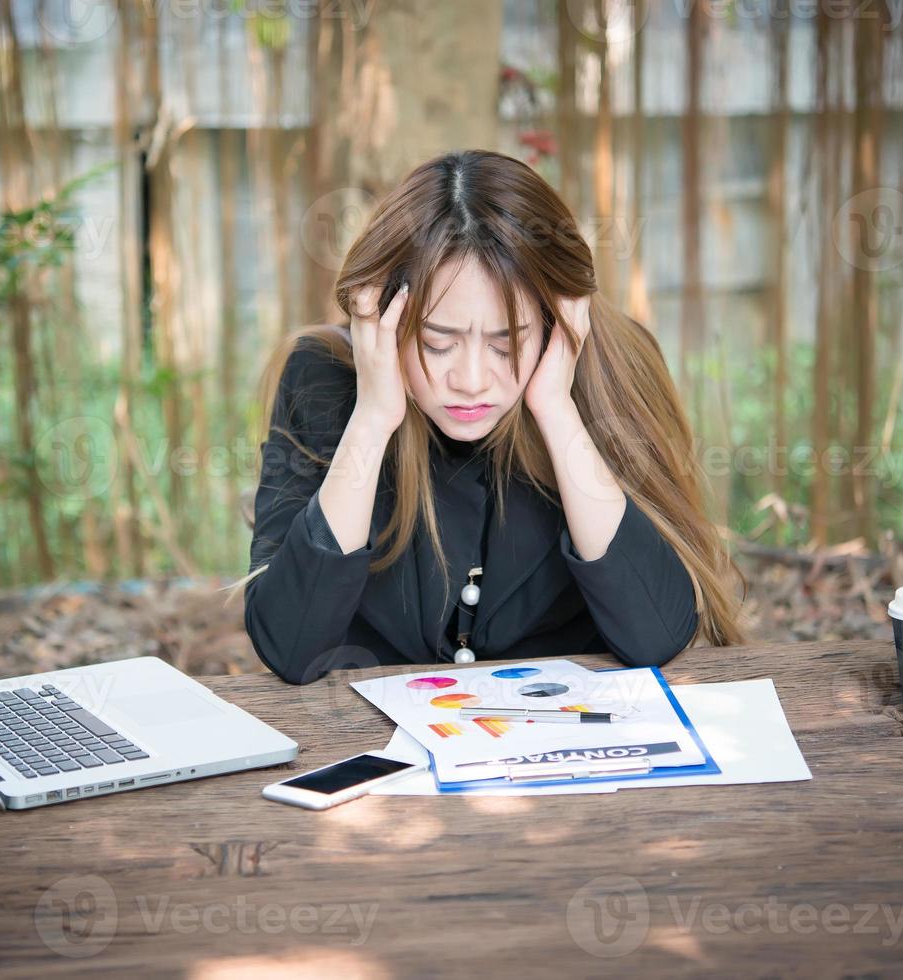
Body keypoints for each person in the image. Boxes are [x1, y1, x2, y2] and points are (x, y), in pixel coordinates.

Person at [226, 149, 745, 685]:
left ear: (556, 319)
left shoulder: (614, 369)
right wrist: (373, 418)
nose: (471, 379)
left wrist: (556, 409)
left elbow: (656, 634)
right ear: (382, 315)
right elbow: (290, 645)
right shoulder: (323, 380)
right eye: (437, 342)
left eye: (507, 342)